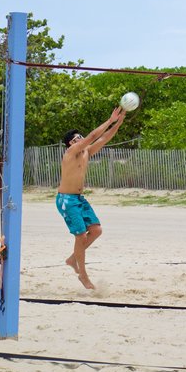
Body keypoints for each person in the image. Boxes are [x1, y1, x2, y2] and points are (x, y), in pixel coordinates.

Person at [56, 105, 127, 290]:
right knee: (80, 237)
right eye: (77, 138)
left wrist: (118, 123)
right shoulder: (70, 153)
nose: (81, 139)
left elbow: (104, 138)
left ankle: (73, 259)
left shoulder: (86, 152)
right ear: (71, 143)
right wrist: (110, 120)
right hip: (66, 200)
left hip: (79, 199)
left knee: (96, 230)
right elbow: (93, 136)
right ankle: (83, 276)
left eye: (80, 137)